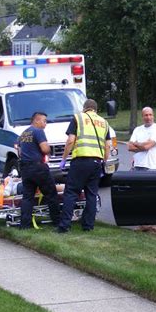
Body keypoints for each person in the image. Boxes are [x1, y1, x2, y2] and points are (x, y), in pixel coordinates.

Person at [58, 99, 111, 233]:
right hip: (96, 162)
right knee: (91, 195)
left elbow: (70, 140)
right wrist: (104, 160)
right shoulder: (104, 122)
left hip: (81, 161)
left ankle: (64, 226)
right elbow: (108, 145)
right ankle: (88, 226)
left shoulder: (78, 118)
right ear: (96, 110)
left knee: (71, 193)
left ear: (84, 108)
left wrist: (64, 159)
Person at [18, 112, 60, 229]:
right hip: (38, 168)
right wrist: (49, 150)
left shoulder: (24, 133)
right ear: (36, 120)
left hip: (25, 168)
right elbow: (45, 149)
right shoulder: (38, 131)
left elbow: (20, 151)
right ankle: (57, 222)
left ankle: (24, 225)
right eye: (44, 121)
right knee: (51, 194)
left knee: (27, 197)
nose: (45, 123)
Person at [127, 107, 156, 171]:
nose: (148, 117)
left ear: (153, 116)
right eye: (146, 115)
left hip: (150, 167)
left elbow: (146, 147)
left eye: (150, 115)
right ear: (142, 117)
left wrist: (136, 143)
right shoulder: (137, 129)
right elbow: (130, 147)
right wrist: (144, 145)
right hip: (136, 166)